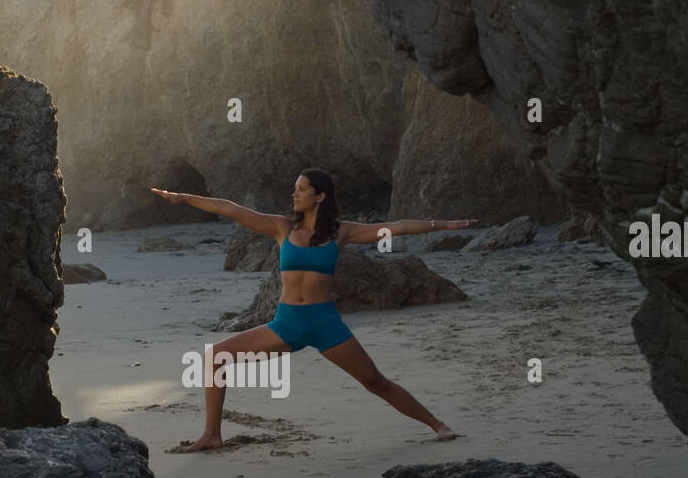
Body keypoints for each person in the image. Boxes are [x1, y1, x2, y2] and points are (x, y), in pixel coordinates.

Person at [150, 168, 477, 451]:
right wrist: (185, 198)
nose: (295, 194)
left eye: (302, 189)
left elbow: (395, 227)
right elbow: (229, 209)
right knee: (215, 357)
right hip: (286, 324)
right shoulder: (282, 228)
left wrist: (441, 225)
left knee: (375, 381)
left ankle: (437, 425)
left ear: (320, 196)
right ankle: (212, 435)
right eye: (294, 188)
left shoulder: (342, 232)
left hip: (325, 325)